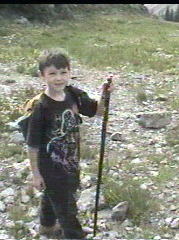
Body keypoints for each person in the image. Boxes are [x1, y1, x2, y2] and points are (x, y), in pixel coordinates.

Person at [26, 48, 114, 239]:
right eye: (52, 74)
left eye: (63, 72)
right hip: (50, 166)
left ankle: (47, 227)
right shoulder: (40, 107)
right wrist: (36, 174)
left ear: (70, 72)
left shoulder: (73, 94)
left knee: (55, 196)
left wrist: (104, 94)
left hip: (71, 161)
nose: (58, 78)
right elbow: (32, 144)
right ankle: (74, 235)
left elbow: (98, 111)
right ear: (42, 76)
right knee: (67, 208)